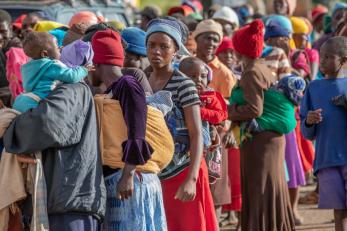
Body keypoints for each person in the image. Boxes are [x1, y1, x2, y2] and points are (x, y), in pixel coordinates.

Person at [3, 43, 106, 231]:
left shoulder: (72, 90)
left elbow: (44, 124)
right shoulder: (66, 89)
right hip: (67, 199)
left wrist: (9, 126)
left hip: (69, 199)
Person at [90, 29, 168, 231]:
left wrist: (128, 174)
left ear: (97, 64)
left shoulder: (127, 84)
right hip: (127, 176)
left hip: (133, 179)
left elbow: (137, 128)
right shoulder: (113, 90)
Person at [145, 18, 218, 231]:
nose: (156, 51)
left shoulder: (184, 84)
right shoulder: (142, 81)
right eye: (152, 45)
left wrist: (191, 179)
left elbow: (196, 134)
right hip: (154, 173)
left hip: (182, 171)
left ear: (175, 50)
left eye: (164, 46)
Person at [229, 19, 295, 230]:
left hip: (261, 142)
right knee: (269, 188)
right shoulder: (262, 67)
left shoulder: (251, 73)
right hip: (268, 140)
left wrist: (228, 111)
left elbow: (254, 109)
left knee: (260, 189)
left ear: (239, 50)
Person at [300, 36, 347, 231]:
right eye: (322, 57)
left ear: (343, 60)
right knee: (339, 210)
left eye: (329, 57)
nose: (323, 61)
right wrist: (309, 121)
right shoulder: (313, 88)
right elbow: (306, 133)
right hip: (327, 159)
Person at [12, 31, 89, 113]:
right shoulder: (51, 65)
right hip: (39, 102)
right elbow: (72, 76)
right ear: (45, 54)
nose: (61, 47)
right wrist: (83, 70)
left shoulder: (28, 67)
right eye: (57, 46)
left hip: (25, 100)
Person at [194, 19, 237, 99]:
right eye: (208, 38)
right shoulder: (185, 64)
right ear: (196, 39)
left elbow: (228, 105)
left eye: (215, 40)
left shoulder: (225, 74)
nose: (211, 43)